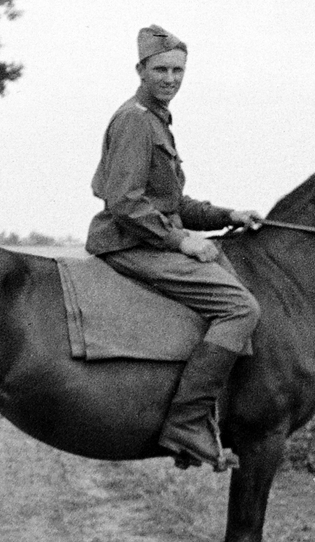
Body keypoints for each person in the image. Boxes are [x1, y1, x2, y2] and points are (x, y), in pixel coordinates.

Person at [86, 25, 262, 471]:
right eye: (161, 69)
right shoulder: (134, 120)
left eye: (178, 70)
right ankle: (184, 423)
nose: (170, 78)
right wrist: (181, 240)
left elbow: (173, 201)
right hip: (130, 244)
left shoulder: (157, 119)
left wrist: (228, 216)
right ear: (140, 69)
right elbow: (124, 202)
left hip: (144, 237)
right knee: (241, 308)